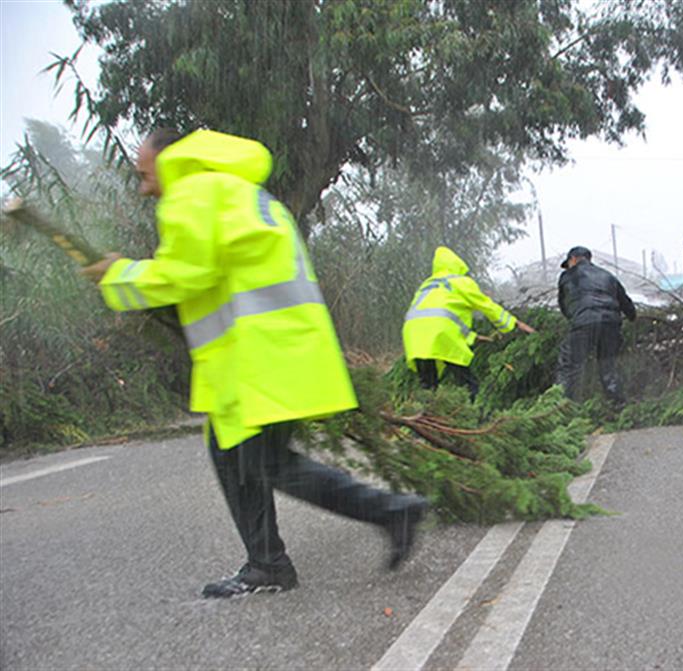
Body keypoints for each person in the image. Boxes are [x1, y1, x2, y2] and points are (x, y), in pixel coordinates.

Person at [80, 129, 428, 598]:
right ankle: (267, 563)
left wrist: (119, 275)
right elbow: (215, 275)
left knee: (265, 463)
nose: (144, 188)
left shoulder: (192, 193)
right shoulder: (243, 193)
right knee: (233, 456)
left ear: (172, 159)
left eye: (145, 175)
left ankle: (388, 511)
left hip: (257, 356)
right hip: (274, 350)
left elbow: (185, 274)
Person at [402, 246, 534, 396]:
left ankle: (426, 415)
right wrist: (515, 323)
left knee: (428, 385)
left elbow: (441, 318)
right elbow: (487, 306)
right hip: (442, 334)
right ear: (457, 264)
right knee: (467, 381)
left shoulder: (426, 285)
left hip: (414, 335)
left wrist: (474, 337)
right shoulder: (460, 282)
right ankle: (476, 415)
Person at [556, 246, 636, 404]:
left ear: (573, 259)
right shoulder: (608, 276)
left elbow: (564, 305)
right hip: (611, 323)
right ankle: (618, 404)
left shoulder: (567, 276)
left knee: (569, 366)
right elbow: (627, 305)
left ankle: (561, 407)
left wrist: (575, 319)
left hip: (583, 322)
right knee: (608, 367)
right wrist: (631, 317)